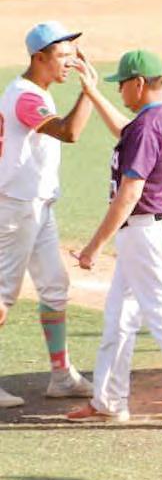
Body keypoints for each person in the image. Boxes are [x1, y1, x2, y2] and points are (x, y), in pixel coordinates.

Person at [67, 50, 162, 427]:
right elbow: (127, 132)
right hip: (148, 231)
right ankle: (109, 399)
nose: (121, 92)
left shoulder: (149, 126)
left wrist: (94, 247)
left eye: (122, 85)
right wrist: (94, 93)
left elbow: (130, 192)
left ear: (139, 83)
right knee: (118, 318)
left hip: (146, 233)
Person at [0, 22, 98, 408]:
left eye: (73, 55)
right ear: (39, 57)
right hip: (16, 208)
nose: (70, 63)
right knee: (2, 295)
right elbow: (69, 132)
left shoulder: (36, 92)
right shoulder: (26, 97)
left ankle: (61, 376)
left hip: (38, 205)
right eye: (62, 55)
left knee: (55, 286)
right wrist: (89, 92)